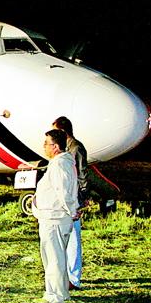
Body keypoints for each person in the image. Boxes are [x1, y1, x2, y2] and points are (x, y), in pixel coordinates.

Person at [32, 129, 79, 303]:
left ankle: (55, 295)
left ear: (56, 146)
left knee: (53, 258)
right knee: (56, 257)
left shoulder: (60, 165)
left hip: (55, 218)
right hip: (52, 217)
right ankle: (61, 292)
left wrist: (72, 210)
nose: (44, 146)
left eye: (47, 143)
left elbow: (63, 191)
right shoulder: (60, 163)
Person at [52, 116, 87, 290]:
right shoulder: (67, 149)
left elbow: (82, 175)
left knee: (73, 239)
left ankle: (73, 278)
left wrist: (81, 199)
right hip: (67, 199)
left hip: (73, 199)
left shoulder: (76, 149)